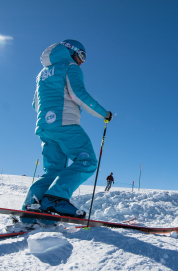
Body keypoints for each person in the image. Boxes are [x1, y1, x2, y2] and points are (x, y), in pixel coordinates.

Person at [22, 39, 112, 219]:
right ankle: (57, 197)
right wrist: (104, 113)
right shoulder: (70, 66)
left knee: (54, 169)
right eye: (82, 55)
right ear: (70, 51)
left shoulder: (42, 74)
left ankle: (33, 206)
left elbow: (35, 104)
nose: (82, 61)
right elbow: (78, 94)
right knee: (87, 161)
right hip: (65, 123)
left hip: (45, 127)